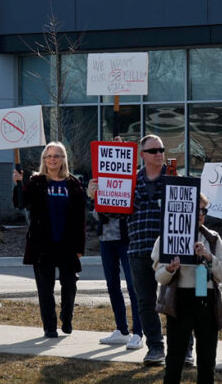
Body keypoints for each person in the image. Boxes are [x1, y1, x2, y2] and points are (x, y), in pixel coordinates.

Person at [12, 142, 87, 338]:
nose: (52, 159)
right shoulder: (36, 182)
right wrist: (18, 183)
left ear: (63, 160)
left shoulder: (73, 184)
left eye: (57, 155)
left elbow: (81, 218)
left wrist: (80, 247)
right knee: (45, 288)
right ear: (44, 160)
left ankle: (67, 316)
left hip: (67, 244)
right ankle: (50, 326)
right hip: (42, 244)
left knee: (69, 283)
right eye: (49, 156)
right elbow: (20, 203)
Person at [152, 194, 222, 384]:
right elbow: (159, 275)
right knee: (175, 359)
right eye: (197, 210)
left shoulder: (213, 239)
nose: (201, 214)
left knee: (207, 359)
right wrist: (170, 269)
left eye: (204, 210)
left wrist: (209, 257)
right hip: (180, 299)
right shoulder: (168, 236)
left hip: (206, 298)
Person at [88, 140, 143, 350]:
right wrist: (93, 197)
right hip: (106, 238)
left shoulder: (135, 178)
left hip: (127, 238)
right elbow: (95, 214)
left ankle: (139, 332)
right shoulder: (99, 180)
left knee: (133, 285)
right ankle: (122, 329)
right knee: (112, 284)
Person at [126, 134, 169, 365]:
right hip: (139, 249)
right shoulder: (128, 182)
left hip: (172, 251)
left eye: (161, 149)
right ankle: (155, 348)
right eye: (153, 150)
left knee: (177, 300)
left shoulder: (174, 179)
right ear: (142, 155)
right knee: (146, 302)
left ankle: (186, 348)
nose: (159, 153)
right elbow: (109, 214)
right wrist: (97, 196)